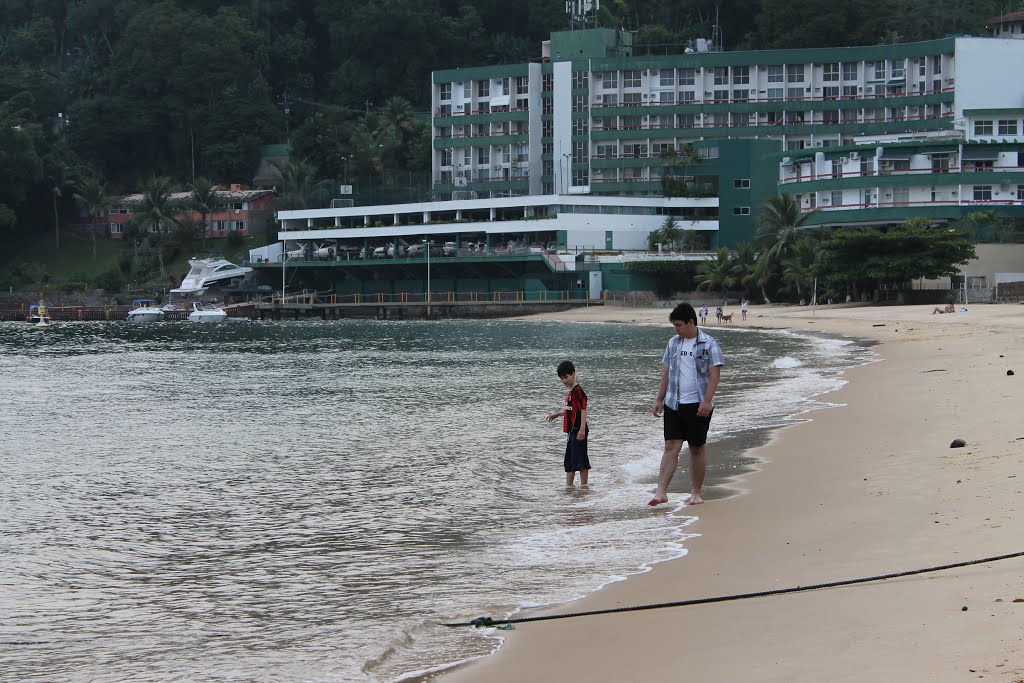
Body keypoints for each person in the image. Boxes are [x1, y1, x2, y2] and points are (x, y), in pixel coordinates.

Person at [649, 303, 724, 506]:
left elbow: (714, 375)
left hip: (698, 404)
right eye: (674, 325)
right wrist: (659, 399)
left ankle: (696, 492)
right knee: (670, 446)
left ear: (691, 322)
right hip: (674, 403)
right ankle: (661, 492)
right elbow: (667, 372)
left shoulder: (709, 343)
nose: (676, 329)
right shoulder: (673, 343)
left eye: (679, 325)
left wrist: (707, 401)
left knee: (696, 448)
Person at [546, 360, 590, 486]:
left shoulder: (578, 391)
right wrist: (557, 414)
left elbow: (583, 410)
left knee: (581, 461)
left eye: (566, 377)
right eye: (561, 378)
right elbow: (570, 411)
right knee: (569, 462)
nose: (564, 381)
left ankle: (584, 487)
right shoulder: (570, 393)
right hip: (571, 432)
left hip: (578, 431)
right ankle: (568, 489)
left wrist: (582, 430)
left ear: (573, 374)